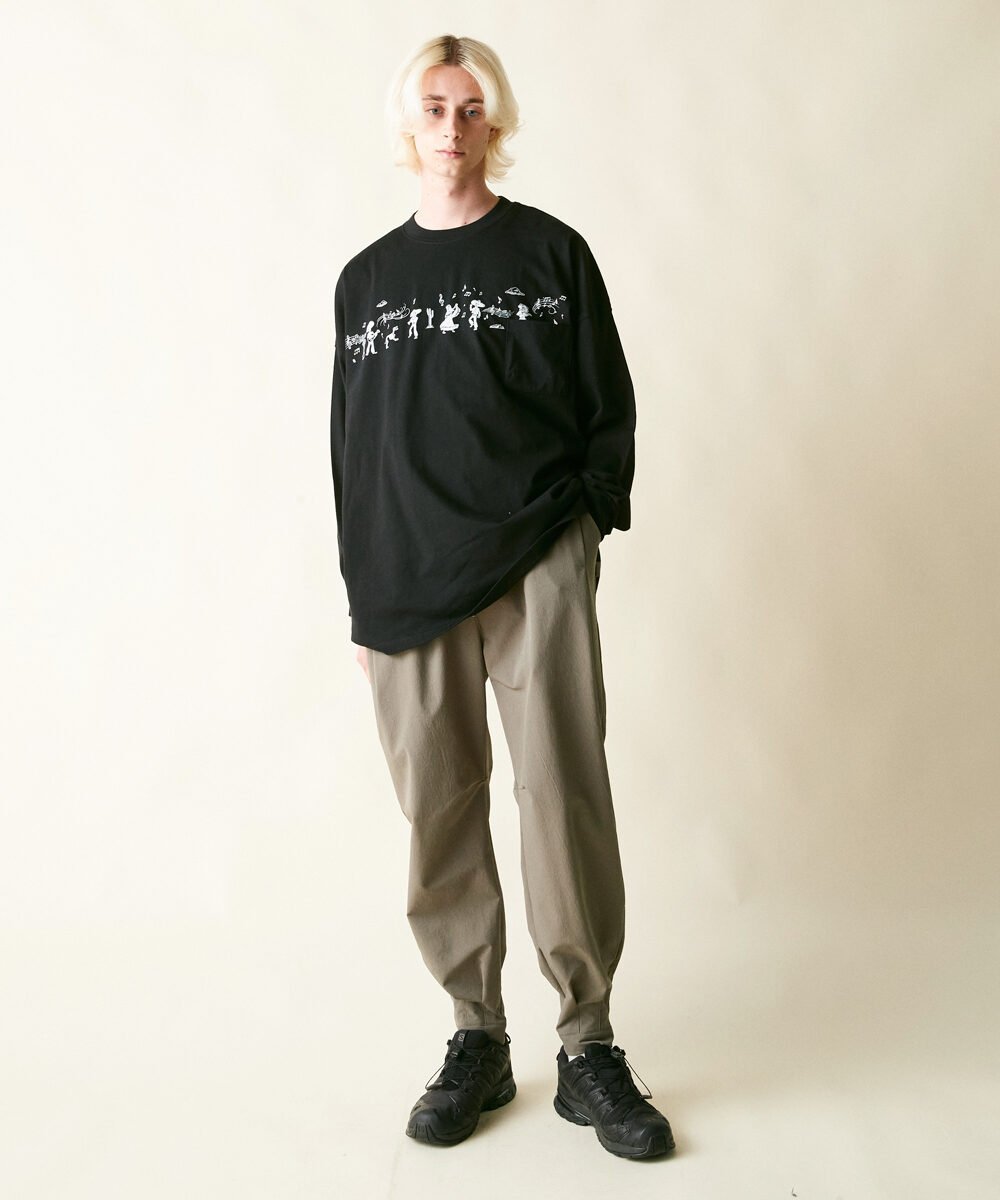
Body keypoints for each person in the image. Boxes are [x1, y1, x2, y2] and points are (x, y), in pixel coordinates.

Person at [329, 33, 674, 1160]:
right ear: (408, 121)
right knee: (438, 806)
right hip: (405, 578)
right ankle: (475, 1034)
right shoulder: (366, 282)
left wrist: (583, 530)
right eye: (434, 106)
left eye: (472, 107)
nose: (452, 126)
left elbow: (605, 400)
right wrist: (362, 591)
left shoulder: (549, 253)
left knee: (562, 791)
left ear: (496, 121)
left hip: (535, 558)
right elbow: (353, 448)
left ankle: (587, 1044)